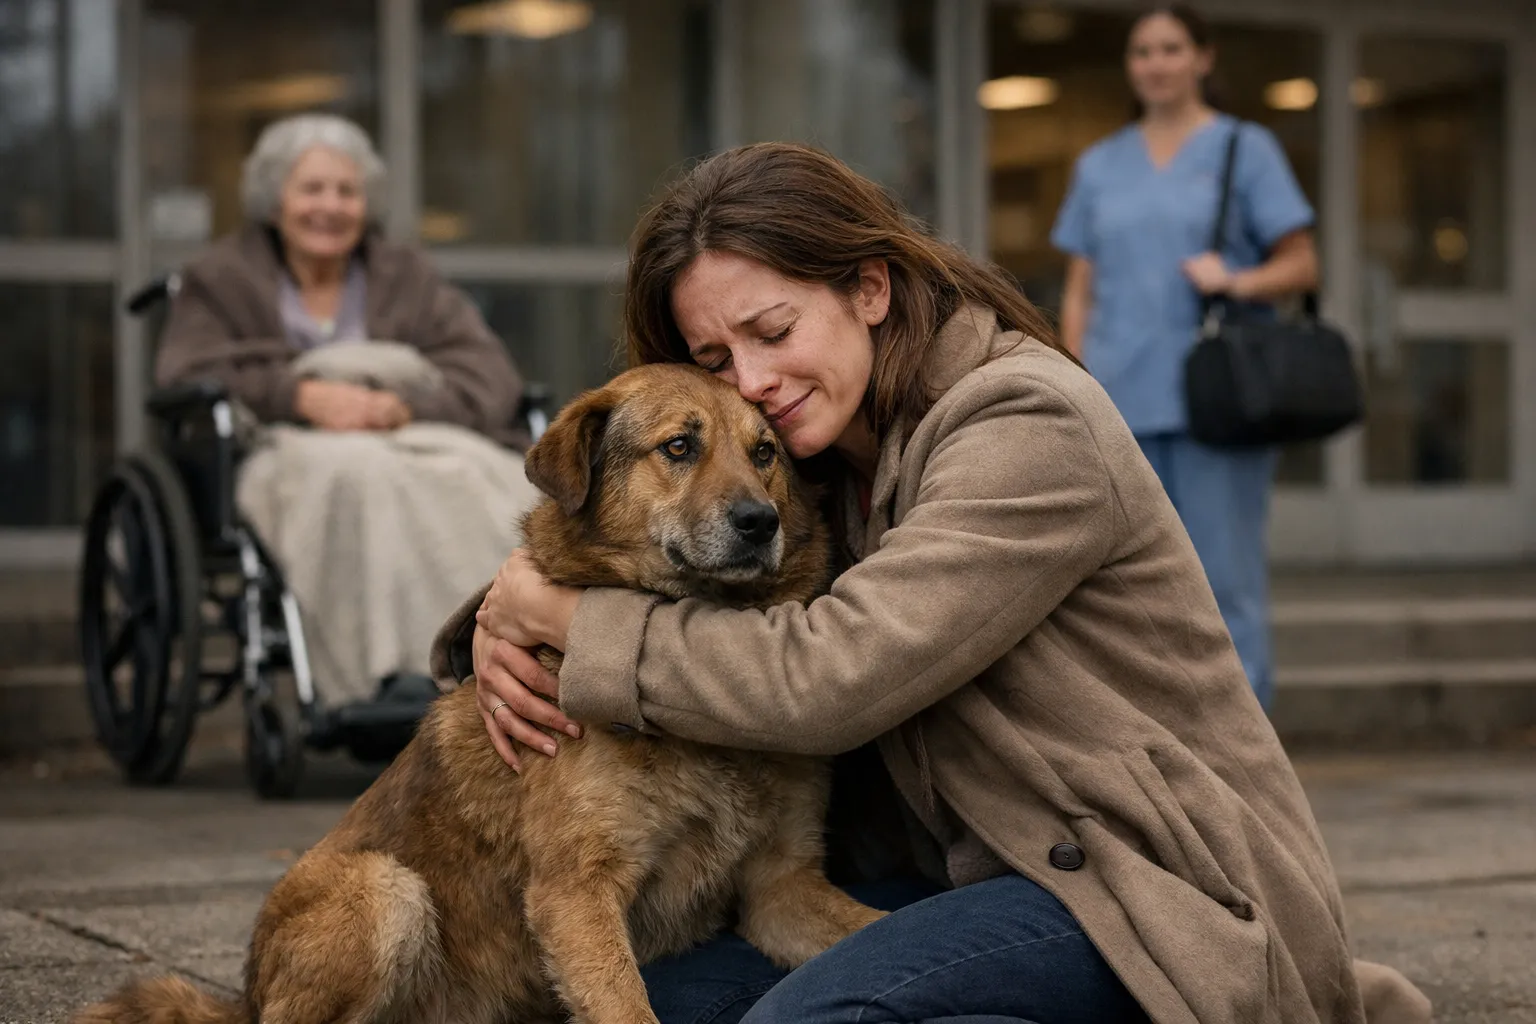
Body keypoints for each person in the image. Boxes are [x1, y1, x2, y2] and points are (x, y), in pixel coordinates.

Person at [433, 143, 1430, 1023]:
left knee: (818, 1015)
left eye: (773, 331)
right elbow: (627, 530)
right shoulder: (818, 454)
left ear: (870, 290)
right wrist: (502, 613)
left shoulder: (1026, 424)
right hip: (986, 874)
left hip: (1149, 891)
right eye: (716, 358)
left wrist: (565, 619)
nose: (752, 382)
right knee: (686, 997)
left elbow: (834, 673)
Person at [157, 112, 541, 707]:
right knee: (360, 476)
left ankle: (498, 654)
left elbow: (489, 373)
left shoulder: (405, 275)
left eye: (347, 191)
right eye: (312, 188)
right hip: (286, 444)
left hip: (412, 433)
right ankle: (387, 672)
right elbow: (185, 373)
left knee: (481, 476)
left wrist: (402, 405)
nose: (330, 207)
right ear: (275, 199)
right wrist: (301, 396)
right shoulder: (221, 277)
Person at [1050, 4, 1319, 712]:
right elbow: (1081, 289)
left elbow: (1302, 264)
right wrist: (1072, 380)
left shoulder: (1244, 149)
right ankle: (1157, 746)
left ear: (1203, 57)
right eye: (1143, 51)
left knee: (1224, 584)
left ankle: (1245, 753)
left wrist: (1237, 280)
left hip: (1216, 401)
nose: (1156, 64)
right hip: (1119, 404)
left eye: (1171, 48)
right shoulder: (1099, 165)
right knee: (1124, 591)